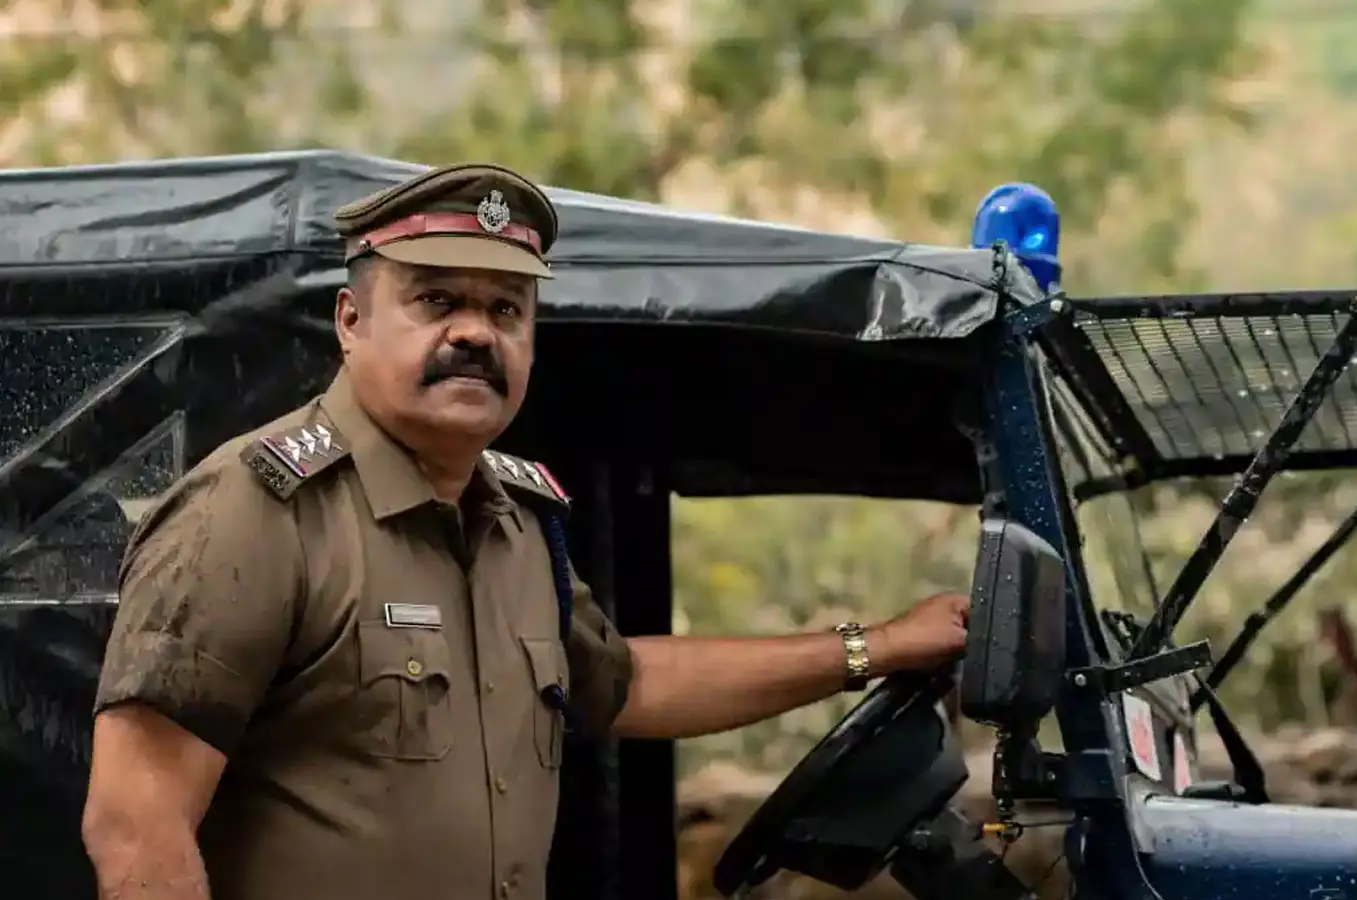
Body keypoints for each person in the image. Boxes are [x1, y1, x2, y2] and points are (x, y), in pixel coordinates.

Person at [79, 163, 970, 900]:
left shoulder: (515, 524)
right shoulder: (256, 510)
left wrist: (876, 647)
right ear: (351, 323)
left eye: (506, 310)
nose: (476, 333)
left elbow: (626, 685)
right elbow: (135, 823)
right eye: (436, 301)